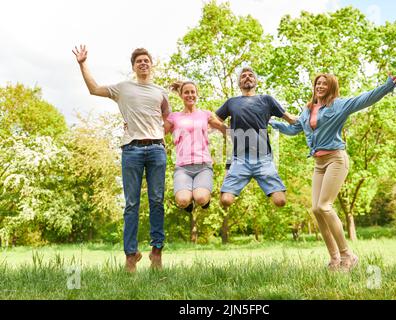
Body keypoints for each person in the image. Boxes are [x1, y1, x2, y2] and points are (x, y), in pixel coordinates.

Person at [270, 73, 396, 271]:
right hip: (318, 163)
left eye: (324, 84)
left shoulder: (338, 105)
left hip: (336, 160)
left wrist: (388, 86)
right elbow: (294, 129)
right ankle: (334, 258)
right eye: (317, 83)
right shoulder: (307, 110)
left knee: (324, 206)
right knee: (316, 209)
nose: (320, 86)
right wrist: (269, 123)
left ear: (331, 87)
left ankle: (348, 255)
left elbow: (365, 99)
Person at [72, 45, 170, 272]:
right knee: (131, 204)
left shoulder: (160, 91)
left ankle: (156, 253)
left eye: (146, 60)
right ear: (134, 67)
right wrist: (82, 64)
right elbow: (94, 89)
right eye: (139, 61)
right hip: (132, 150)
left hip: (156, 150)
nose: (143, 63)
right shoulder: (123, 88)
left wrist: (159, 136)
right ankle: (130, 256)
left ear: (151, 65)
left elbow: (166, 118)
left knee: (157, 200)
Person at [215, 67, 297, 209]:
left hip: (263, 158)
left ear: (256, 81)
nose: (247, 77)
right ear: (239, 83)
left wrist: (311, 118)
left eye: (250, 75)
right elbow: (213, 119)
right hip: (239, 158)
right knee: (226, 200)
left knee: (280, 201)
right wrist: (226, 131)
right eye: (243, 76)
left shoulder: (266, 100)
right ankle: (226, 188)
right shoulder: (231, 102)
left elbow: (290, 119)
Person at [165, 81, 227, 212]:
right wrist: (134, 128)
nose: (190, 95)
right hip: (182, 167)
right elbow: (157, 132)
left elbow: (224, 129)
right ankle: (188, 202)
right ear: (181, 95)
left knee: (200, 199)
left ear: (197, 94)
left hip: (203, 165)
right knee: (182, 201)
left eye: (193, 92)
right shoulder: (174, 117)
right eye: (186, 92)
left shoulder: (205, 114)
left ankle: (203, 199)